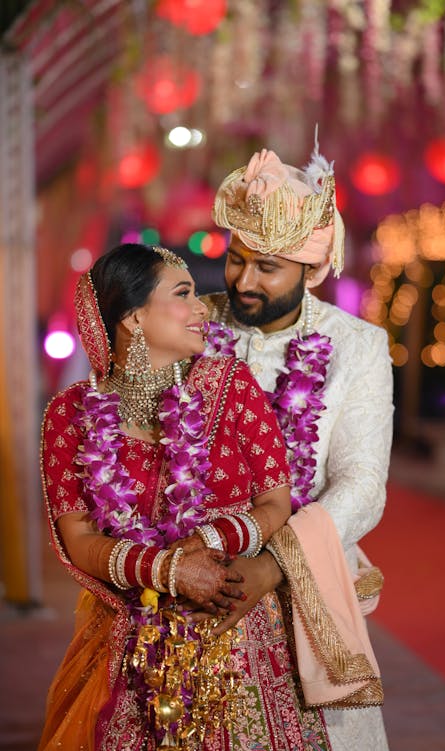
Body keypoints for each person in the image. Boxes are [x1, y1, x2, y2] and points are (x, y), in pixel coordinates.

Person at [38, 243, 302, 750]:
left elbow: (276, 501)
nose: (204, 307)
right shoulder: (69, 415)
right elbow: (79, 539)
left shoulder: (231, 386)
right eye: (183, 294)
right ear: (134, 318)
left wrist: (209, 539)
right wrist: (169, 570)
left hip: (236, 627)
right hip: (127, 638)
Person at [203, 144, 394, 750]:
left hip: (305, 587)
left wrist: (274, 564)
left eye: (267, 267)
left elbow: (363, 485)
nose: (244, 280)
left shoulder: (357, 346)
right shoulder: (188, 327)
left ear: (311, 272)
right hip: (197, 579)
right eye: (236, 260)